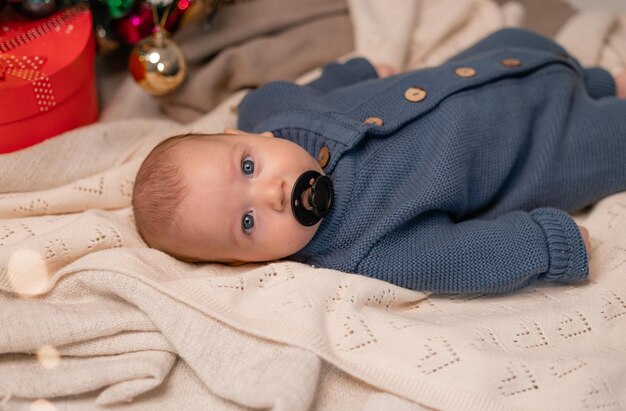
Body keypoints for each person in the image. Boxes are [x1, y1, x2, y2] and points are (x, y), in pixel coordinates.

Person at [132, 28, 626, 294]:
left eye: (247, 166)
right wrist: (541, 245)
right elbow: (456, 258)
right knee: (611, 140)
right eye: (247, 221)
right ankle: (603, 102)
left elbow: (308, 86)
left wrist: (360, 70)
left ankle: (598, 82)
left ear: (244, 134)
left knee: (522, 44)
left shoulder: (270, 109)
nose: (272, 193)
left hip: (492, 67)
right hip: (543, 149)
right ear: (246, 263)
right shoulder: (365, 248)